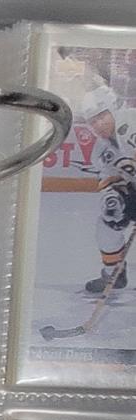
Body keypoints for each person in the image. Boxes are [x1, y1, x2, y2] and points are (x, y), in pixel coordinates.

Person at [76, 88, 136, 295]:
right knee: (107, 224)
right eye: (93, 121)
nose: (98, 125)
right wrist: (112, 200)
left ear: (114, 109)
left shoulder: (133, 122)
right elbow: (109, 179)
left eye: (102, 116)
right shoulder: (101, 151)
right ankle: (114, 274)